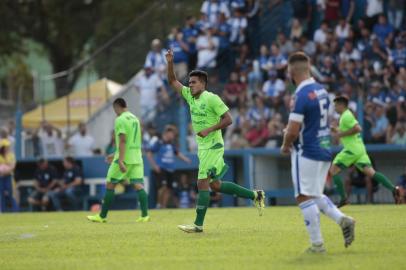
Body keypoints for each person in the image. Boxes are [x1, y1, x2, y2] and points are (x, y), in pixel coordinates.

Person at [166, 49, 265, 233]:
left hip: (213, 145)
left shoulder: (211, 98)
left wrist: (209, 129)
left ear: (203, 84)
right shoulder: (189, 96)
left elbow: (229, 119)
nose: (191, 85)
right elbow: (172, 81)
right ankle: (255, 195)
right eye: (190, 82)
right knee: (215, 185)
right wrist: (170, 63)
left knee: (202, 183)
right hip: (203, 147)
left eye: (194, 82)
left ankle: (198, 225)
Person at [281, 52, 355, 253]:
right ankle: (343, 220)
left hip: (306, 151)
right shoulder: (321, 90)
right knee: (314, 194)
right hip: (323, 149)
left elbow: (294, 130)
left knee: (303, 196)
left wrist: (285, 143)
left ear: (291, 71)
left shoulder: (301, 95)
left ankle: (317, 244)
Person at [330, 95, 402, 207]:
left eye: (335, 105)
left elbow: (358, 128)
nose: (334, 108)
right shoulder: (346, 116)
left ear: (341, 105)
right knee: (372, 173)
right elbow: (350, 130)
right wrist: (337, 129)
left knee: (333, 171)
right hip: (360, 150)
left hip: (351, 150)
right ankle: (394, 189)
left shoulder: (346, 116)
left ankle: (344, 199)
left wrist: (340, 134)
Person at [87, 98, 149, 223]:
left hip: (124, 158)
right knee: (138, 185)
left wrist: (120, 160)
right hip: (137, 157)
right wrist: (114, 154)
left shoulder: (120, 120)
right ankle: (144, 215)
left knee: (110, 184)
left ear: (117, 107)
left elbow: (123, 140)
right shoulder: (135, 119)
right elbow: (133, 140)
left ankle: (102, 216)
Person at [146, 125, 191, 209]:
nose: (173, 136)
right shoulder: (159, 143)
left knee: (169, 188)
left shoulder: (172, 144)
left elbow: (177, 153)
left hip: (170, 169)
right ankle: (159, 204)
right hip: (161, 168)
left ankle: (164, 206)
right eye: (172, 134)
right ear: (167, 133)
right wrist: (155, 166)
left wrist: (186, 159)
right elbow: (149, 154)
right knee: (162, 186)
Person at [0, 139, 18, 212]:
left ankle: (15, 210)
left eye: (8, 146)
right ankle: (3, 211)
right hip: (1, 177)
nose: (8, 148)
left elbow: (13, 166)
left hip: (8, 176)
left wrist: (5, 170)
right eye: (6, 146)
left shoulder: (11, 155)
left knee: (10, 193)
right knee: (1, 194)